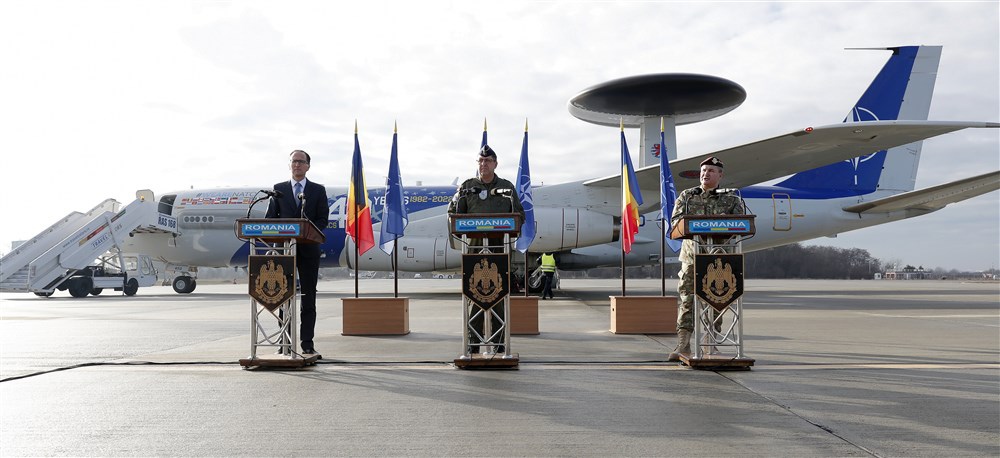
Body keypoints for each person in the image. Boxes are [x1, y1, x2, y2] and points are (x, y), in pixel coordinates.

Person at [667, 156, 746, 362]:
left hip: (719, 259)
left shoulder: (731, 199)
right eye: (703, 171)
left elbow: (741, 223)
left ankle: (711, 342)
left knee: (718, 299)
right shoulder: (687, 196)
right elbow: (676, 222)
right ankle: (683, 345)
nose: (705, 174)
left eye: (711, 170)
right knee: (687, 300)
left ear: (720, 175)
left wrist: (722, 224)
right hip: (692, 257)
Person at [448, 144, 525, 354]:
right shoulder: (467, 187)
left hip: (499, 252)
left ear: (495, 164)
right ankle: (473, 344)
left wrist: (511, 223)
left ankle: (500, 345)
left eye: (488, 161)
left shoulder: (507, 188)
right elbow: (453, 213)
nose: (484, 164)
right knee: (475, 299)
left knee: (499, 299)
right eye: (480, 161)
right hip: (474, 253)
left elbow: (520, 215)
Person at [265, 149, 330, 356]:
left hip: (308, 250)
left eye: (301, 161)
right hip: (284, 251)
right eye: (294, 161)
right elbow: (270, 219)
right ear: (289, 165)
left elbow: (322, 219)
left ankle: (307, 342)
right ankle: (285, 340)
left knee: (308, 297)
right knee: (283, 296)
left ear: (308, 166)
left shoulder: (317, 190)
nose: (297, 165)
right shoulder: (279, 189)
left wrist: (307, 230)